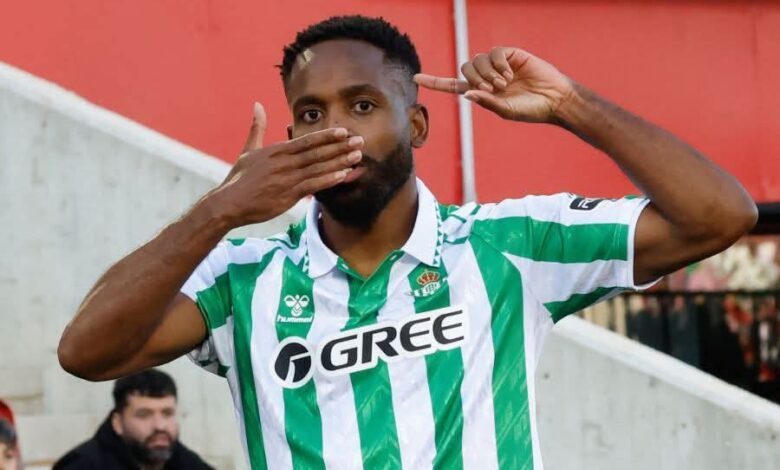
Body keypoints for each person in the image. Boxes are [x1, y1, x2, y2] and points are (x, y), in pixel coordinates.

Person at [57, 14, 757, 470]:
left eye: (363, 105)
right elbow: (86, 353)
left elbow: (719, 216)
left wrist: (571, 105)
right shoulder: (244, 277)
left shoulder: (505, 245)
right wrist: (217, 212)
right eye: (311, 114)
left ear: (416, 125)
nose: (337, 131)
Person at [54, 369, 212, 470]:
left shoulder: (185, 462)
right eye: (144, 415)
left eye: (167, 413)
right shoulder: (80, 465)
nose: (160, 426)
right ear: (117, 423)